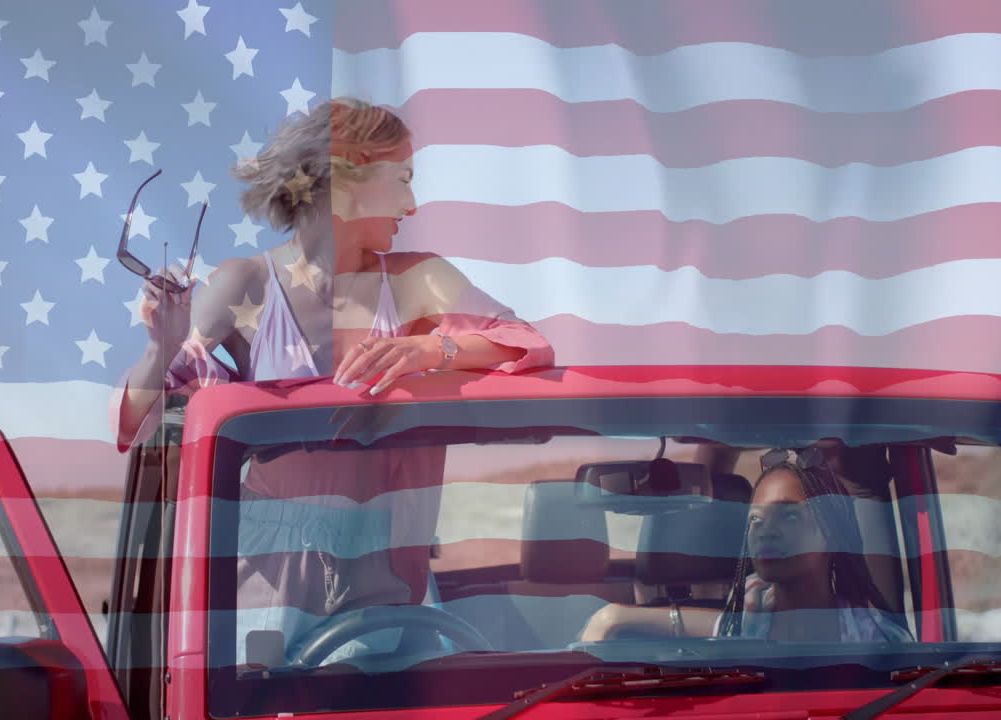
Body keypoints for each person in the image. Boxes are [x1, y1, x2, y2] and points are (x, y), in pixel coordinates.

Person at [110, 97, 554, 664]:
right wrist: (161, 346)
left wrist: (430, 348)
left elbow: (530, 345)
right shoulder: (247, 283)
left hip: (390, 562)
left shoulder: (419, 278)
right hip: (267, 561)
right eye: (400, 181)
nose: (412, 204)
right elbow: (138, 426)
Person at [579, 448, 910, 644]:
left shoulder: (877, 639)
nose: (765, 531)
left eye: (790, 517)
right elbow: (614, 619)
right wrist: (608, 619)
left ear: (831, 533)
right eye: (755, 520)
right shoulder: (745, 619)